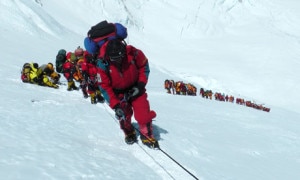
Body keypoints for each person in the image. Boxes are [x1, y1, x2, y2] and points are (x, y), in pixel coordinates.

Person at [96, 39, 158, 148]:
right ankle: (129, 131)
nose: (118, 61)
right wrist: (115, 105)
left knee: (143, 114)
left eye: (121, 57)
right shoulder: (102, 64)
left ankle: (147, 134)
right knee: (124, 116)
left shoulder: (133, 53)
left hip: (136, 89)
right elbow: (104, 86)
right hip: (118, 95)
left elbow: (144, 66)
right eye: (114, 59)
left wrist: (140, 85)